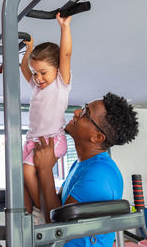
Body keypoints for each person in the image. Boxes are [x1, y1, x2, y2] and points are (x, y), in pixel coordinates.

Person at [33, 92, 139, 246]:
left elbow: (57, 229)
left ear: (97, 137)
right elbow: (55, 208)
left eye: (85, 113)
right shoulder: (82, 164)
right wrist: (42, 169)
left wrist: (45, 170)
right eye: (84, 108)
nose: (76, 112)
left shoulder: (99, 175)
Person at [20, 12, 73, 215]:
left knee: (27, 171)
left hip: (52, 139)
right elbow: (24, 68)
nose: (38, 78)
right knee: (22, 176)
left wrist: (64, 28)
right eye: (36, 73)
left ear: (57, 69)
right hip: (33, 139)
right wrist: (29, 50)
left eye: (43, 72)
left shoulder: (60, 83)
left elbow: (66, 55)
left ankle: (42, 209)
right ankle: (33, 209)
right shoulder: (36, 86)